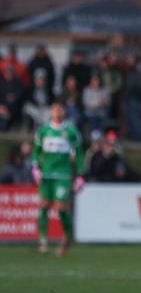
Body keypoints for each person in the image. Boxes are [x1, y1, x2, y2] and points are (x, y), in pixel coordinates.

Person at [32, 102, 84, 256]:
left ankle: (67, 237)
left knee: (61, 209)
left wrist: (80, 175)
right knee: (43, 206)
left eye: (60, 110)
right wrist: (35, 167)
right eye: (54, 110)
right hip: (46, 175)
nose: (57, 112)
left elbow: (79, 153)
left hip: (63, 175)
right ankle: (42, 240)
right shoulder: (43, 130)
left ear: (64, 112)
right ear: (51, 112)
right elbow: (36, 151)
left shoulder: (71, 131)